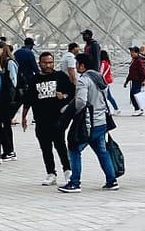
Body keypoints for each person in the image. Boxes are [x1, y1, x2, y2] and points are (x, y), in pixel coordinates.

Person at [61, 54, 118, 191]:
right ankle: (111, 180)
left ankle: (74, 182)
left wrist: (73, 111)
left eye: (77, 64)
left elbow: (80, 101)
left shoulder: (84, 80)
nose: (75, 67)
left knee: (74, 149)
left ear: (82, 65)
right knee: (101, 151)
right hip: (102, 120)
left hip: (89, 122)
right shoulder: (99, 77)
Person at [27, 49, 75, 184]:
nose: (48, 65)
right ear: (39, 63)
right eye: (45, 63)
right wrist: (24, 116)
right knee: (45, 147)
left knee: (60, 145)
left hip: (57, 118)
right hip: (41, 119)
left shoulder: (60, 76)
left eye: (51, 62)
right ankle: (51, 173)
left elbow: (72, 93)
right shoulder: (34, 79)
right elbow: (28, 99)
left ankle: (67, 171)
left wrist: (64, 96)